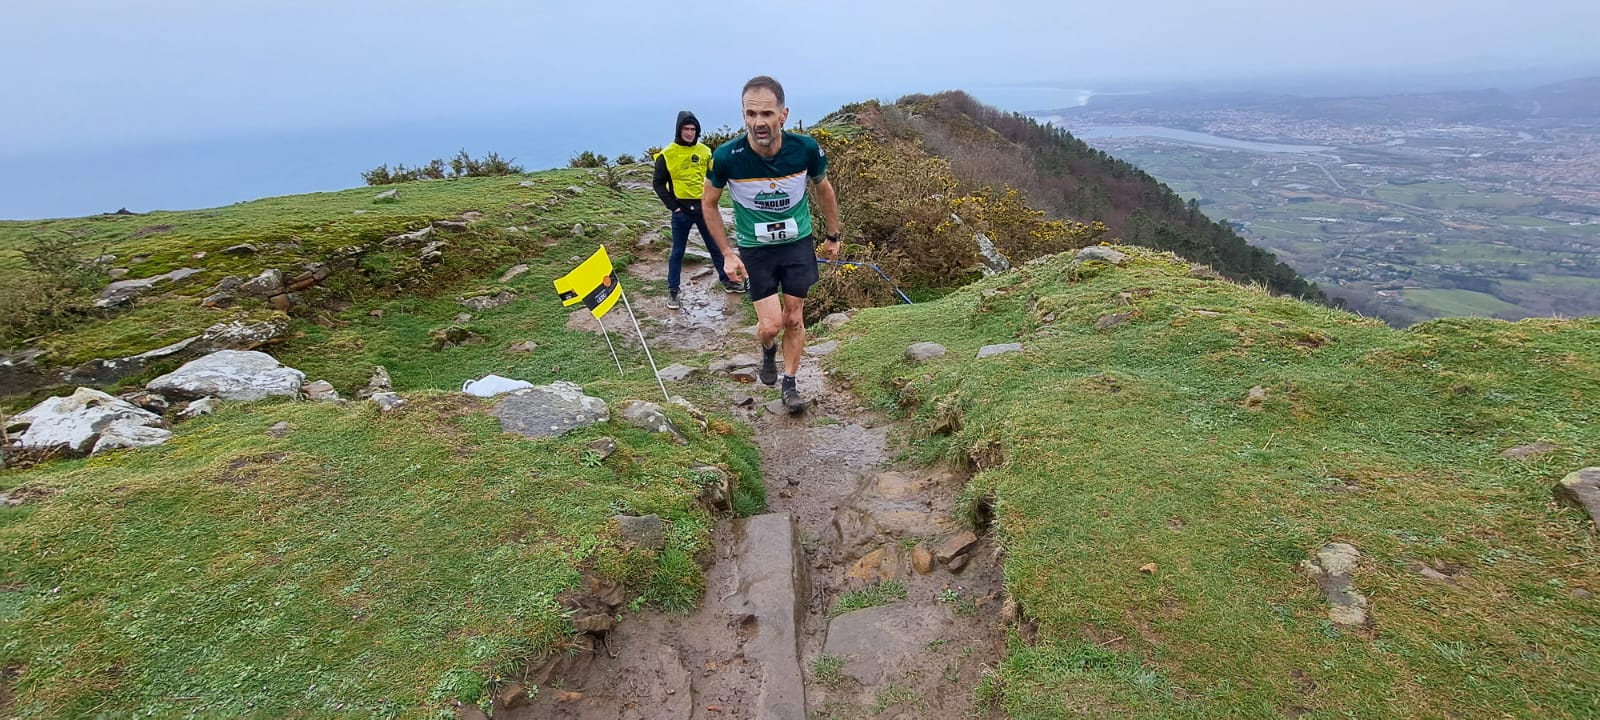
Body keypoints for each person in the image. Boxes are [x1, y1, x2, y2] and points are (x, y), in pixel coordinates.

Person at [702, 76, 842, 412]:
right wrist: (726, 253)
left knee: (793, 319)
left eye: (766, 114)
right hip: (756, 249)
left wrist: (833, 237)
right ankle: (767, 350)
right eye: (750, 114)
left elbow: (824, 190)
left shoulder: (805, 149)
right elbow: (708, 203)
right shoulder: (726, 157)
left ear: (783, 114)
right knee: (771, 325)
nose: (758, 122)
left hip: (797, 244)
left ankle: (789, 384)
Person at [652, 110, 744, 310]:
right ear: (679, 130)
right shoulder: (667, 154)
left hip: (704, 208)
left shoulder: (705, 151)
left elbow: (715, 177)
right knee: (677, 252)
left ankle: (728, 281)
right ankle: (673, 291)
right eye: (686, 129)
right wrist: (674, 207)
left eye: (693, 129)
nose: (689, 133)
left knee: (715, 246)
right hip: (681, 210)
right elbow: (658, 183)